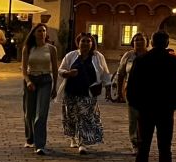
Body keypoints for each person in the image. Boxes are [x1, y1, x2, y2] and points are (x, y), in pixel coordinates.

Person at [127, 31, 176, 162]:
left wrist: (137, 105)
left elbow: (131, 87)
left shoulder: (141, 60)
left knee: (143, 147)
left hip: (145, 109)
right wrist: (174, 105)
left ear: (151, 43)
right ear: (167, 43)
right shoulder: (173, 61)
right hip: (165, 109)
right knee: (165, 147)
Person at [59, 33, 111, 154]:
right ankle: (73, 137)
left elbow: (105, 73)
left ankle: (82, 143)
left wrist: (108, 88)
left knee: (85, 117)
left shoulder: (98, 57)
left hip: (89, 92)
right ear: (78, 43)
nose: (86, 43)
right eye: (83, 41)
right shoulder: (71, 55)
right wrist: (68, 73)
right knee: (71, 116)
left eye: (88, 41)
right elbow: (61, 69)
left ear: (92, 43)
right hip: (71, 91)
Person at [21, 23, 59, 154]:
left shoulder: (51, 49)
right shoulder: (28, 48)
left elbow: (55, 69)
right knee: (29, 113)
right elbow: (24, 69)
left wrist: (55, 86)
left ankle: (40, 145)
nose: (41, 33)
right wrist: (28, 81)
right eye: (39, 31)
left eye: (43, 31)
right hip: (31, 79)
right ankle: (30, 138)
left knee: (41, 113)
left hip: (45, 80)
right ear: (34, 33)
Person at [116, 33, 149, 155]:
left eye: (141, 40)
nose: (139, 42)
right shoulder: (128, 56)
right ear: (132, 43)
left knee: (145, 119)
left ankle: (144, 142)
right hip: (131, 91)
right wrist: (119, 91)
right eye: (136, 40)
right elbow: (121, 74)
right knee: (133, 119)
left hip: (147, 92)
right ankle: (135, 143)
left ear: (147, 42)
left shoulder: (150, 56)